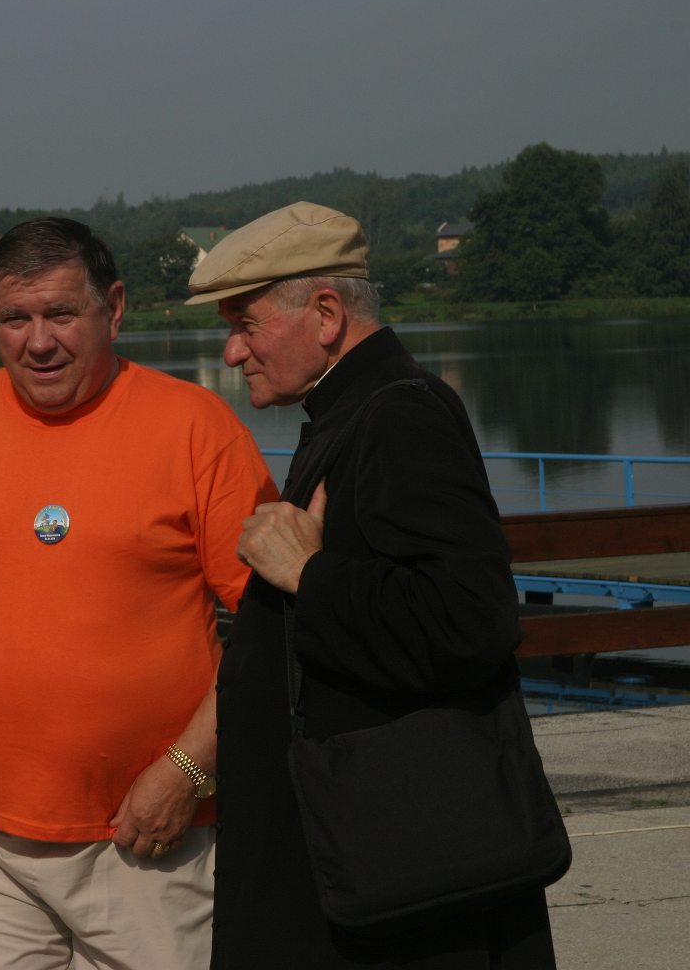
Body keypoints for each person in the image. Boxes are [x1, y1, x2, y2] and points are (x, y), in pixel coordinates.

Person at [0, 217, 276, 969]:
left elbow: (272, 625)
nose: (38, 342)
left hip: (152, 835)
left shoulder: (196, 428)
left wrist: (188, 772)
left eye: (60, 314)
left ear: (113, 308)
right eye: (15, 319)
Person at [186, 201, 557, 967]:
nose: (232, 351)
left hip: (400, 893)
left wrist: (310, 573)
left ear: (325, 314)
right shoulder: (350, 412)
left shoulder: (400, 416)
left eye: (246, 325)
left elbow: (469, 619)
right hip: (361, 866)